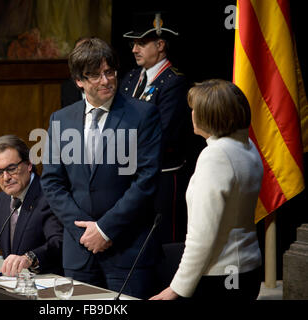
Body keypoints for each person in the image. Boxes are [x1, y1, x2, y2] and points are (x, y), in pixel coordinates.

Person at [41, 37, 163, 299]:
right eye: (95, 75)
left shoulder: (143, 114)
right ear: (79, 81)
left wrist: (105, 229)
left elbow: (146, 180)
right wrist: (85, 233)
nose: (106, 80)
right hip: (79, 251)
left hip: (127, 249)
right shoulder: (60, 119)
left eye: (109, 72)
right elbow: (52, 182)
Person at [150, 79, 263, 300]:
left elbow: (202, 236)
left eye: (194, 110)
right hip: (246, 269)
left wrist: (176, 289)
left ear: (210, 116)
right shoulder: (247, 146)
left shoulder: (217, 156)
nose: (190, 114)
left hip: (224, 276)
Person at [121, 12, 202, 243]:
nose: (134, 49)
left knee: (163, 240)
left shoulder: (174, 82)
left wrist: (123, 144)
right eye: (133, 43)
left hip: (161, 177)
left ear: (160, 45)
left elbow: (163, 134)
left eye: (141, 43)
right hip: (132, 174)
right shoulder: (130, 78)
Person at [0, 135, 63, 276]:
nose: (6, 177)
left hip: (45, 282)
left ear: (29, 164)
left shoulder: (47, 196)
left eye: (12, 168)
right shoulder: (3, 199)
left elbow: (57, 242)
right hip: (12, 283)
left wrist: (29, 258)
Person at [60, 37, 90, 108]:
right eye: (79, 53)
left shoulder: (106, 82)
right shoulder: (68, 87)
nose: (83, 57)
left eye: (86, 52)